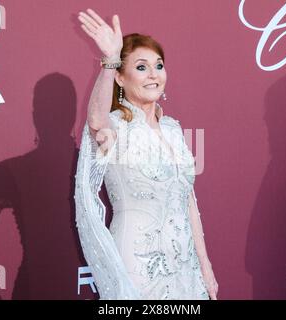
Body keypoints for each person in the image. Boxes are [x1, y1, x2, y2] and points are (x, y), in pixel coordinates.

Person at [75, 8, 218, 300]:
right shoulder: (114, 128)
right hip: (138, 265)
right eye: (141, 67)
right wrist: (110, 60)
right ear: (120, 78)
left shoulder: (173, 129)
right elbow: (96, 122)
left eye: (159, 65)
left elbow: (188, 200)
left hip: (185, 269)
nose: (153, 74)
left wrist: (204, 265)